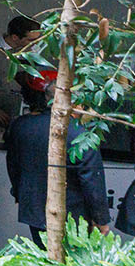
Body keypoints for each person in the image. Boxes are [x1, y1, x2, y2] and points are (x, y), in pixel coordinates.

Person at [6, 97, 111, 241]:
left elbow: (13, 164)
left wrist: (18, 194)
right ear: (76, 105)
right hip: (72, 214)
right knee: (68, 259)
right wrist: (101, 219)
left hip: (34, 206)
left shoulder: (22, 125)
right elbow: (92, 181)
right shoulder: (82, 135)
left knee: (42, 255)